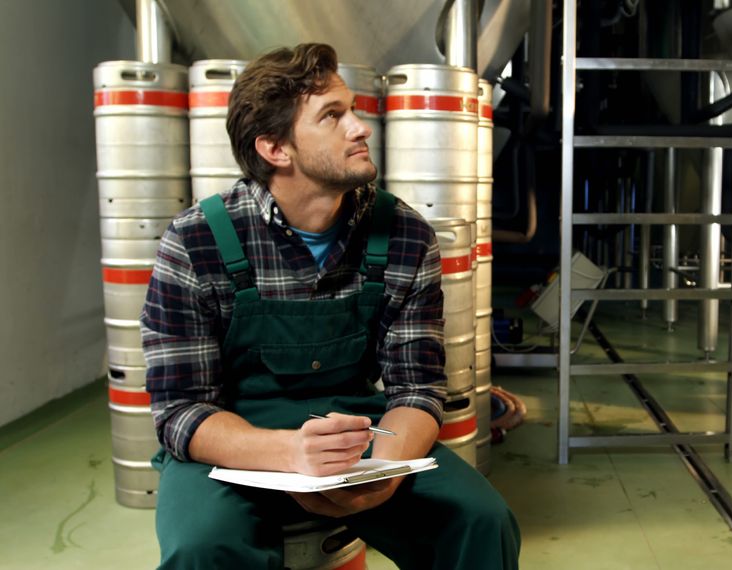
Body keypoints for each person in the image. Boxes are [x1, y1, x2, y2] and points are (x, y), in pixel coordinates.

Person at [141, 43, 520, 569]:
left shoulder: (405, 234)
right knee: (203, 546)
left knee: (481, 521)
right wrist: (288, 453)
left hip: (360, 434)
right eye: (333, 116)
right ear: (276, 148)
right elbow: (180, 410)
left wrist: (384, 470)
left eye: (353, 110)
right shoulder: (196, 241)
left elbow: (419, 387)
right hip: (232, 443)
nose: (360, 127)